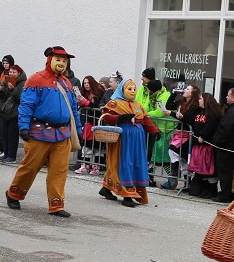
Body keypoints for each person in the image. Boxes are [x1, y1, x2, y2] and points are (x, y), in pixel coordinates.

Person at [5, 46, 81, 218]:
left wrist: (79, 128)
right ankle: (13, 193)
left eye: (64, 61)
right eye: (58, 59)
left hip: (62, 133)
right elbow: (26, 105)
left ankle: (56, 204)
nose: (61, 63)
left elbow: (73, 109)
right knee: (30, 167)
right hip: (39, 132)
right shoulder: (35, 80)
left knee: (59, 170)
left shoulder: (67, 83)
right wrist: (23, 126)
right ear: (50, 60)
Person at [99, 79, 159, 207]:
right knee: (124, 163)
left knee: (135, 163)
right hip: (123, 139)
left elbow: (145, 120)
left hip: (137, 140)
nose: (132, 91)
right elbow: (106, 116)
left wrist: (155, 131)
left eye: (133, 89)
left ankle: (107, 188)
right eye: (129, 89)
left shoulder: (138, 104)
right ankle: (127, 194)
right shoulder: (115, 103)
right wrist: (120, 118)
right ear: (122, 90)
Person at [163, 84, 201, 190]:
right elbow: (169, 106)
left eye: (188, 89)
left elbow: (189, 118)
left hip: (188, 134)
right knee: (180, 156)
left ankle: (180, 176)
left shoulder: (195, 105)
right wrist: (173, 94)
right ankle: (185, 182)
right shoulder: (182, 102)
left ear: (193, 93)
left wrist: (174, 114)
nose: (185, 90)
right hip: (180, 133)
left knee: (176, 152)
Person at [184, 93, 222, 198]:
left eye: (200, 99)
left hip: (208, 145)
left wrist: (203, 135)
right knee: (201, 169)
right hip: (199, 145)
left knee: (209, 169)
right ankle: (202, 189)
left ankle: (211, 190)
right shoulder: (199, 111)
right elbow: (189, 119)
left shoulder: (212, 114)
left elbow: (211, 125)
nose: (199, 100)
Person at [0, 56, 26, 165]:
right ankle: (6, 154)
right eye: (11, 72)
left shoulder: (23, 83)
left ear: (19, 73)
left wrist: (12, 89)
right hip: (5, 111)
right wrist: (0, 89)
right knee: (5, 134)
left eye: (14, 72)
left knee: (12, 135)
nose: (12, 74)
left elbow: (20, 98)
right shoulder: (7, 80)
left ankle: (12, 156)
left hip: (15, 112)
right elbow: (3, 95)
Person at [74, 76, 106, 176]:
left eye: (88, 83)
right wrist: (81, 103)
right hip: (88, 122)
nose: (86, 85)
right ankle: (85, 165)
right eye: (84, 83)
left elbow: (98, 108)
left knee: (97, 147)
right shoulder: (85, 93)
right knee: (86, 145)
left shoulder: (99, 93)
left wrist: (86, 102)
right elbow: (84, 107)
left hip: (98, 122)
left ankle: (96, 166)